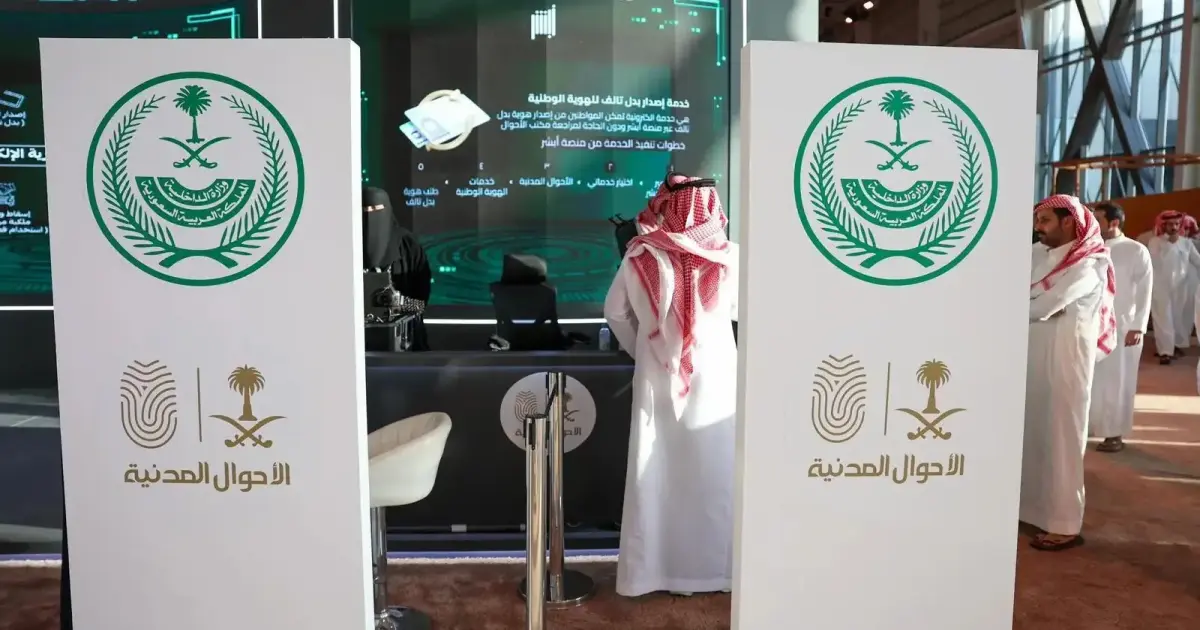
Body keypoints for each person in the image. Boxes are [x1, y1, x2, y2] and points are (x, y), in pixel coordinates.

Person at [603, 173, 738, 596]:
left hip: (657, 379)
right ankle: (717, 573)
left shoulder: (639, 254)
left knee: (658, 473)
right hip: (716, 382)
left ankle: (656, 574)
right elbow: (742, 311)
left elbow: (615, 314)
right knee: (713, 473)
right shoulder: (730, 257)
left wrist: (643, 351)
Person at [1024, 194, 1116, 552]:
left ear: (1069, 222)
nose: (1038, 227)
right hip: (1031, 358)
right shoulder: (1036, 255)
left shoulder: (1088, 263)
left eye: (1045, 220)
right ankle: (1031, 510)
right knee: (1032, 432)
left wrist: (1015, 304)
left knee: (1062, 437)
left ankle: (1064, 523)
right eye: (1037, 220)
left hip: (1066, 362)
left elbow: (1045, 306)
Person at [1088, 202, 1152, 453]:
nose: (1093, 223)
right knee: (1093, 379)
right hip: (1092, 325)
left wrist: (1138, 326)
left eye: (1098, 219)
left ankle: (1114, 433)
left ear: (1114, 222)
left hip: (1124, 327)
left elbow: (1145, 290)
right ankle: (1092, 426)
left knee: (1119, 380)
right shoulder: (1090, 248)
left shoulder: (1135, 250)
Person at [363, 187, 432, 350]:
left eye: (376, 209)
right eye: (364, 210)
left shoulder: (408, 246)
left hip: (405, 342)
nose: (370, 216)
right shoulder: (345, 248)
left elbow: (420, 304)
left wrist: (397, 302)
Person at [1146, 210, 1200, 364]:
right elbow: (1155, 261)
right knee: (1163, 319)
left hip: (1181, 288)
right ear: (1163, 226)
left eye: (1176, 224)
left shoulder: (1186, 243)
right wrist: (1171, 244)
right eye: (1170, 224)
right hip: (1160, 287)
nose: (1174, 227)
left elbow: (1197, 261)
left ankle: (1174, 346)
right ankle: (1165, 352)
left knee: (1179, 318)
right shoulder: (1155, 242)